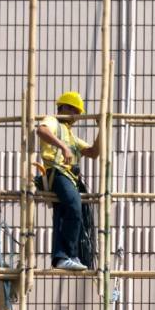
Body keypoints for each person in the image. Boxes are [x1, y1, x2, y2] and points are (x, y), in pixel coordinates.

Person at [36, 91, 104, 271]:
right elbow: (41, 130)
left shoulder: (70, 135)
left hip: (68, 178)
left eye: (77, 113)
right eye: (74, 111)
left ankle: (64, 256)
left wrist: (101, 130)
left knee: (66, 214)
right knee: (74, 207)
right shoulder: (53, 122)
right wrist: (63, 147)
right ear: (64, 107)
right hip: (56, 172)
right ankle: (65, 255)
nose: (75, 116)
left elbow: (93, 153)